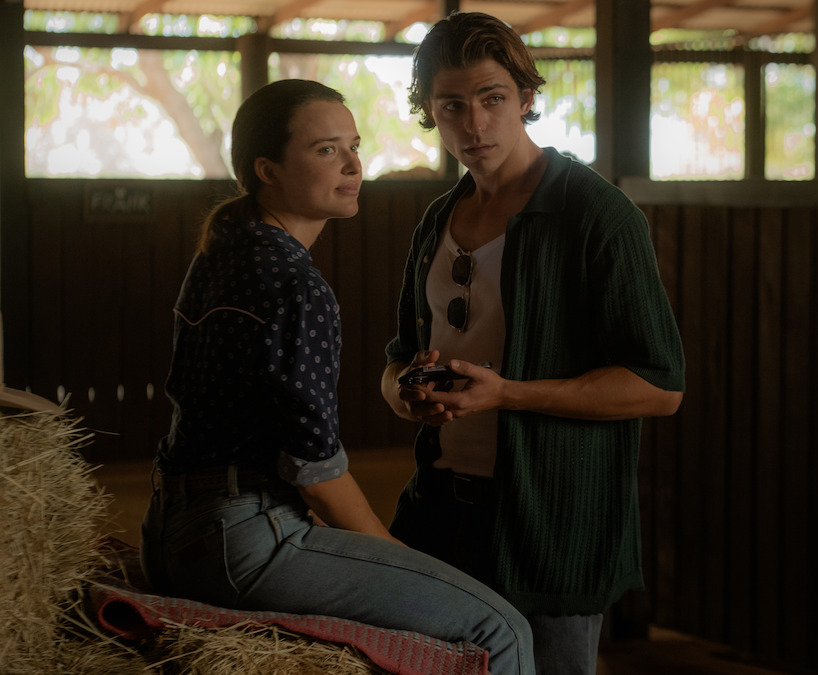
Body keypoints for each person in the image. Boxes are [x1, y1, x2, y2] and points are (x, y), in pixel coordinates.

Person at [139, 79, 534, 675]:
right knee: (500, 629)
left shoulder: (222, 252)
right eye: (327, 150)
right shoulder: (297, 285)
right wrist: (394, 552)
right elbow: (315, 471)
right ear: (267, 170)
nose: (353, 165)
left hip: (171, 527)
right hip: (244, 536)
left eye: (354, 146)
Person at [379, 12, 686, 673]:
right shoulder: (438, 218)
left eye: (491, 98)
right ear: (430, 113)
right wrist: (405, 395)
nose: (475, 124)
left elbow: (660, 387)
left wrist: (508, 394)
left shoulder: (596, 214)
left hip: (551, 524)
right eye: (452, 105)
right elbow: (397, 355)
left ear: (524, 97)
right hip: (438, 514)